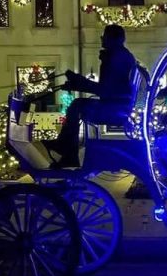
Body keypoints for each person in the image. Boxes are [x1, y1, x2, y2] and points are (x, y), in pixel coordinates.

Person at [44, 24, 137, 168]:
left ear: (113, 39)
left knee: (77, 105)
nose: (102, 40)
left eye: (104, 36)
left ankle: (67, 152)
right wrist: (77, 83)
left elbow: (105, 90)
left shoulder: (116, 58)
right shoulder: (122, 56)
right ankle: (66, 149)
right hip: (119, 106)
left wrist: (78, 82)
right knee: (78, 104)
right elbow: (108, 89)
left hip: (114, 109)